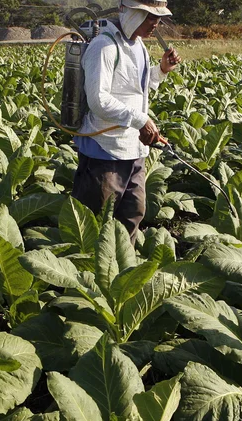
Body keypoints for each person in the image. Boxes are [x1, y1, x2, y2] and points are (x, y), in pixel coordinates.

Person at [71, 0, 181, 243]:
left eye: (158, 17)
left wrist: (161, 71)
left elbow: (134, 88)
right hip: (104, 152)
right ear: (132, 13)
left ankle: (123, 271)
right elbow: (98, 100)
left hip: (134, 150)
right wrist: (140, 120)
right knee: (94, 222)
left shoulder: (138, 45)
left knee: (133, 214)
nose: (156, 23)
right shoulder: (104, 46)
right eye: (151, 16)